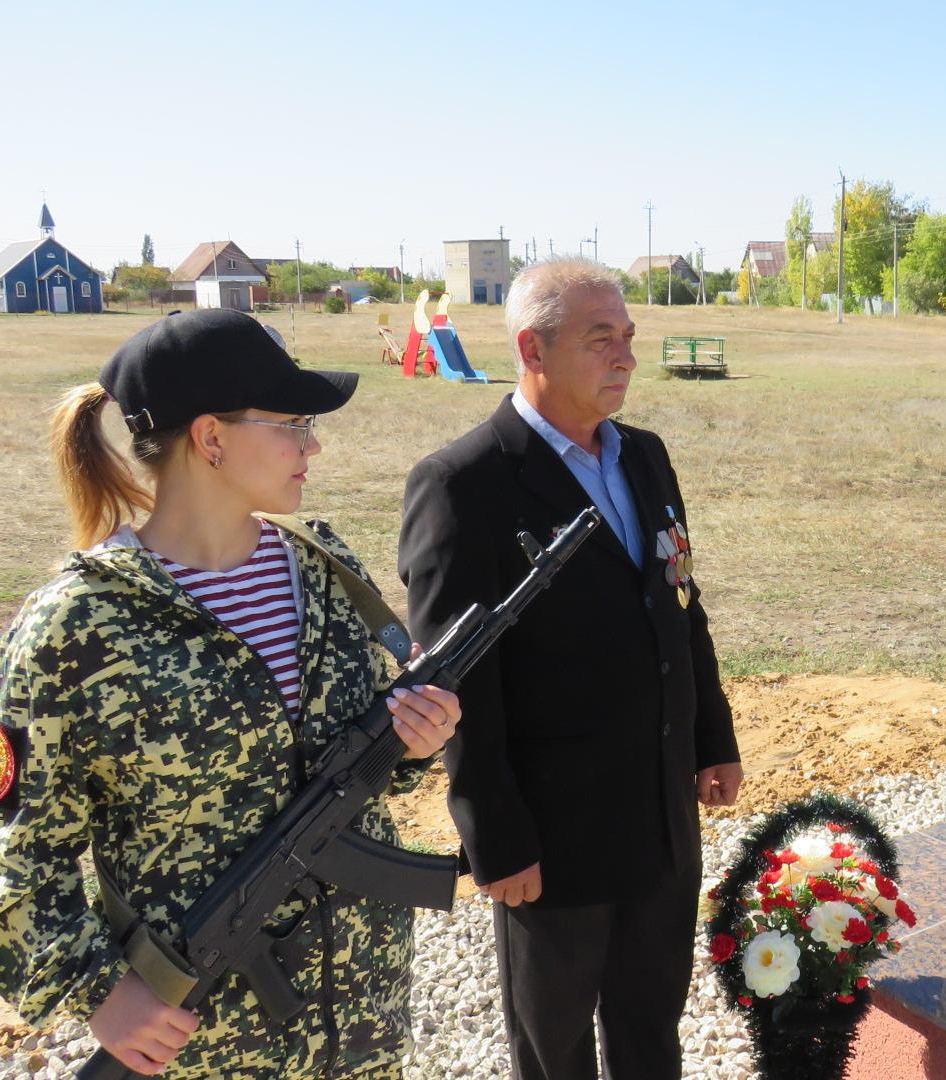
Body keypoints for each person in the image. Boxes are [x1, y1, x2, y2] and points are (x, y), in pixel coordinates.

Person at [0, 309, 460, 1078]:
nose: (313, 444)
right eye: (293, 422)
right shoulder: (80, 624)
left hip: (362, 1017)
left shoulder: (325, 572)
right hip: (214, 1046)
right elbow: (10, 858)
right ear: (211, 437)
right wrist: (99, 992)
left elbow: (348, 771)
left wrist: (410, 742)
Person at [397, 259, 742, 1080]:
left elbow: (679, 604)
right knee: (554, 1049)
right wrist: (495, 834)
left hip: (659, 815)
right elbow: (456, 680)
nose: (625, 356)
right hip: (552, 840)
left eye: (627, 338)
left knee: (651, 1025)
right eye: (601, 340)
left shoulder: (646, 458)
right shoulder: (462, 484)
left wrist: (711, 737)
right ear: (533, 348)